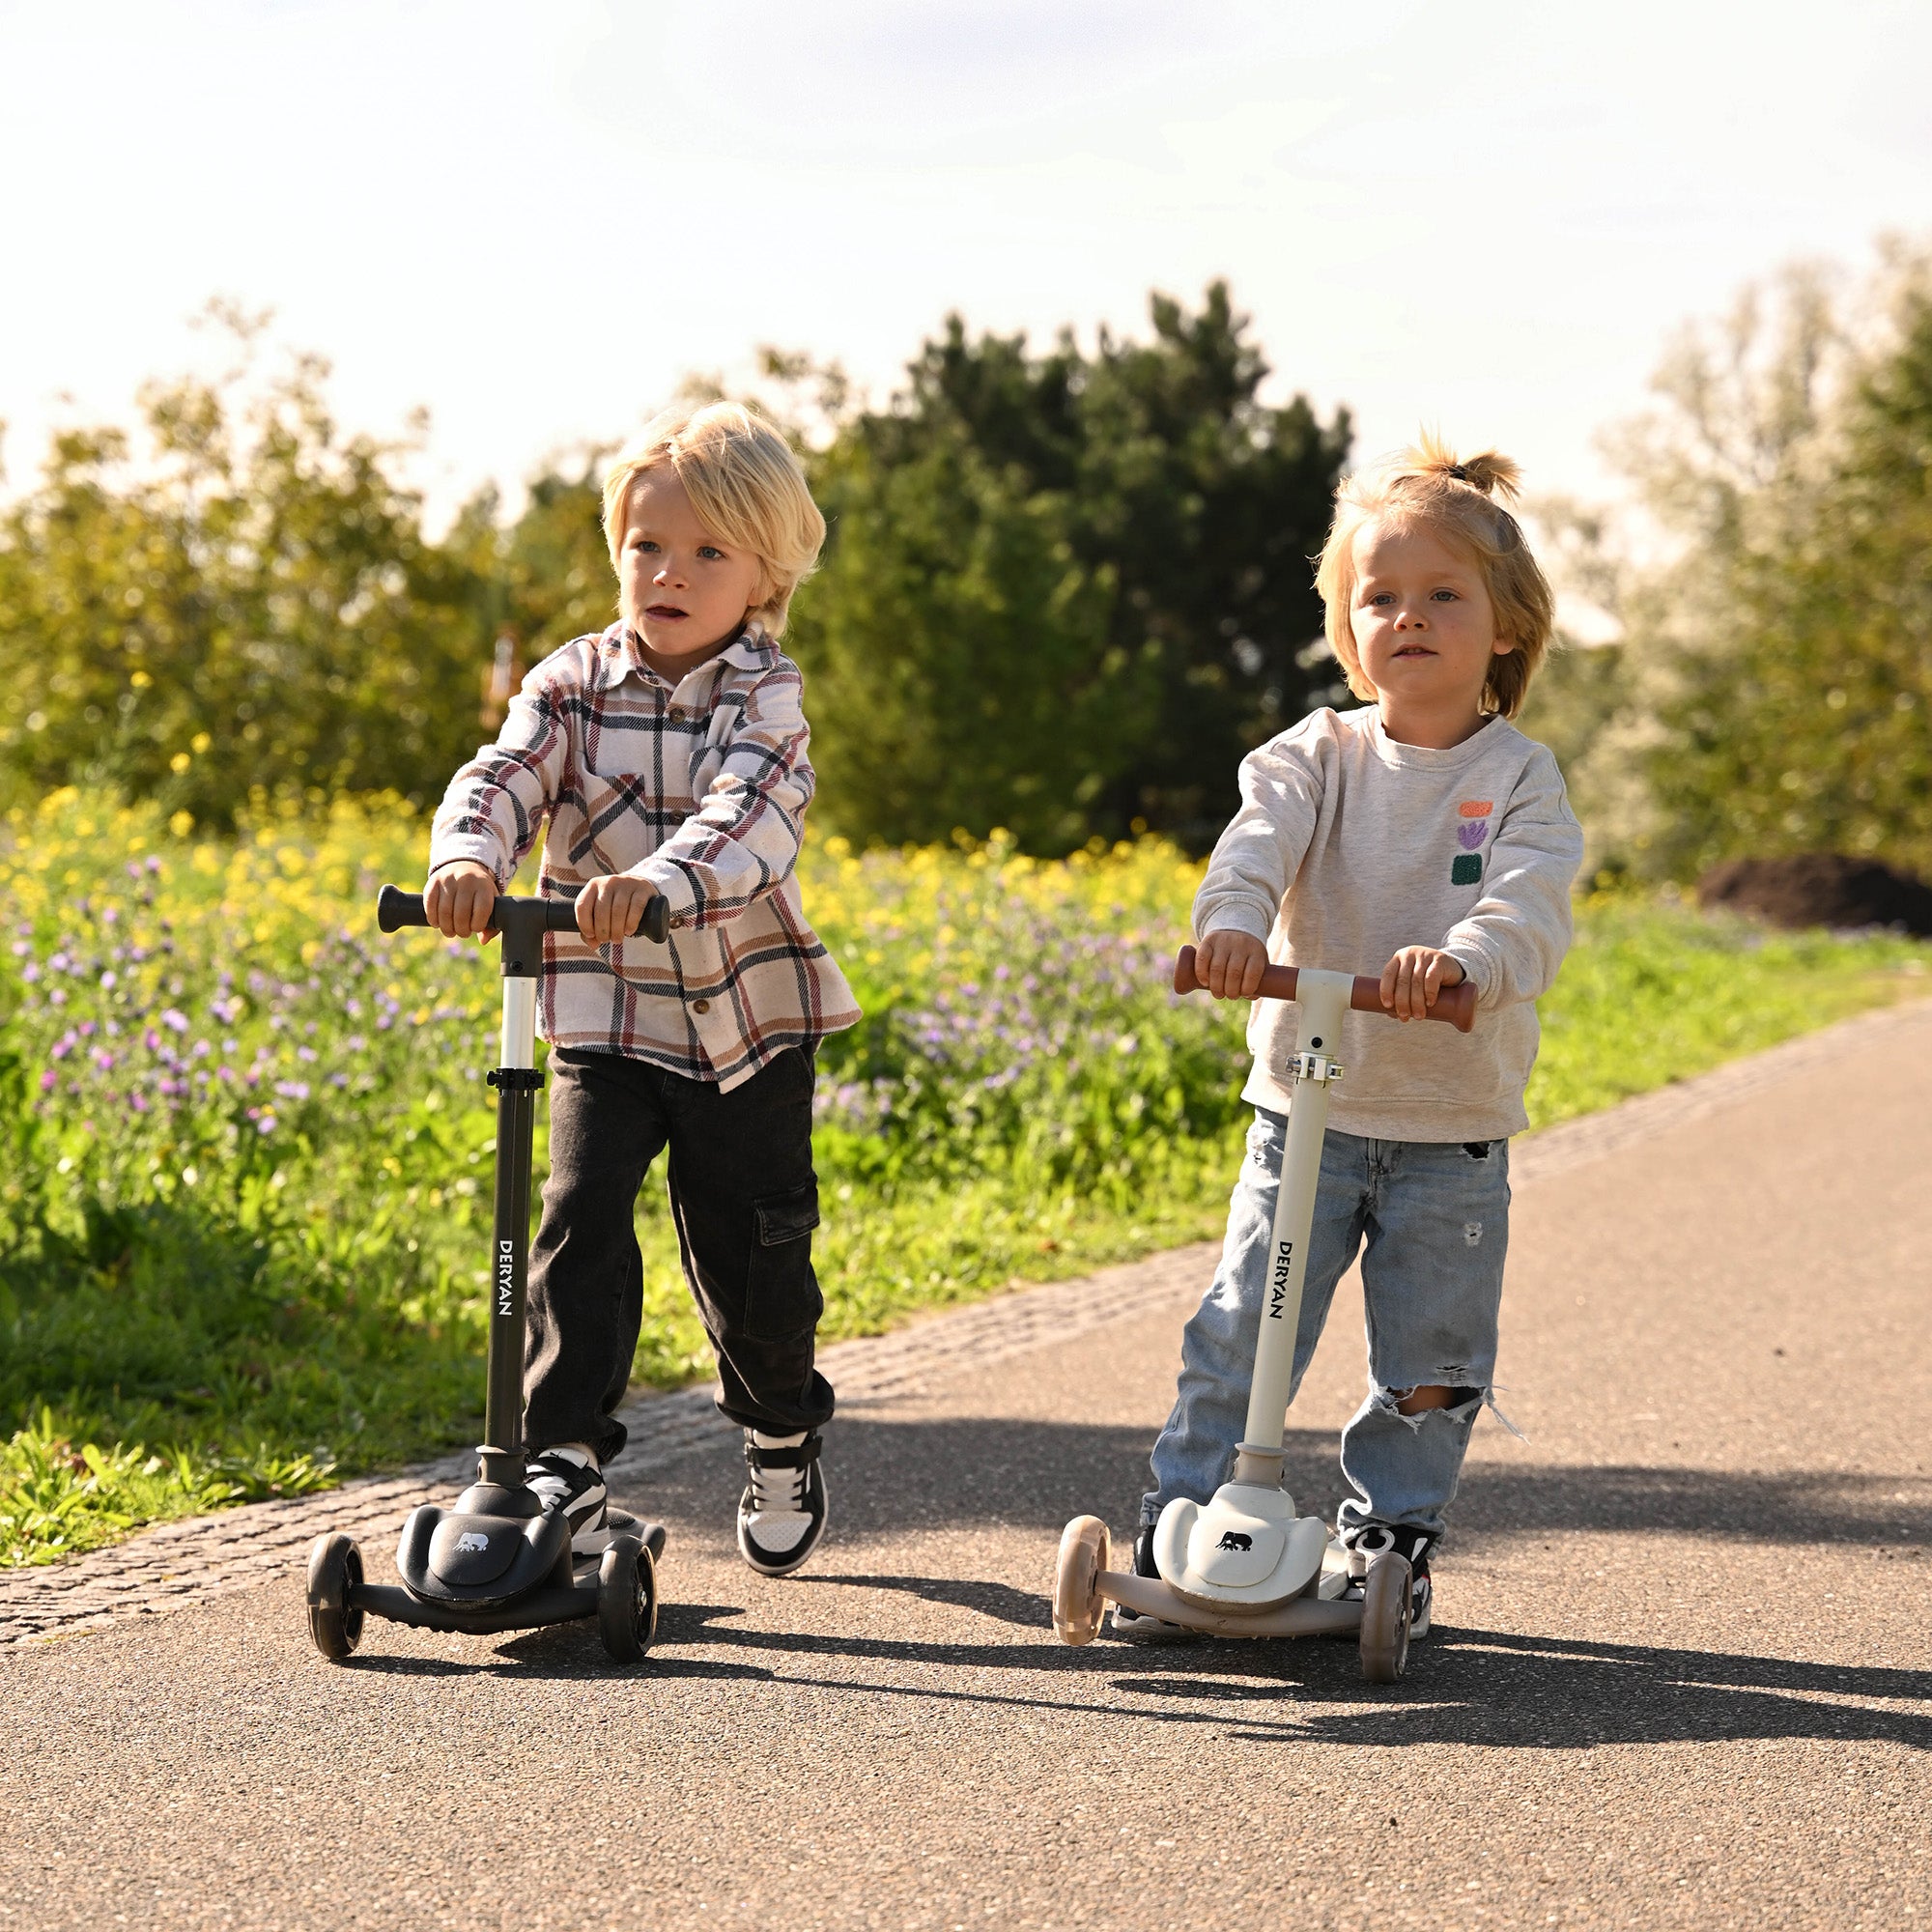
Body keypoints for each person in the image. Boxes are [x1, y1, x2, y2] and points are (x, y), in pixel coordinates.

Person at [1122, 437, 1584, 1640]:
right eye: (1377, 596)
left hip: (1447, 1128)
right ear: (1343, 623)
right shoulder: (1312, 757)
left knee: (1429, 1358)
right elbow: (1252, 847)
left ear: (1504, 627)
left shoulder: (1518, 779)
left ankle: (1390, 1534)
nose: (1407, 617)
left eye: (1441, 595)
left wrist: (1468, 961)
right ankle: (1182, 1518)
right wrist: (1229, 927)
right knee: (1238, 1324)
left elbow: (1525, 903)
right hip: (1302, 1114)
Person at [423, 400, 860, 1577]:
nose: (668, 572)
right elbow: (506, 768)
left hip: (742, 1024)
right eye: (646, 545)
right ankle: (560, 1448)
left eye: (707, 552)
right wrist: (469, 855)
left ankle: (778, 1424)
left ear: (764, 571)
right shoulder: (571, 680)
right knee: (574, 1219)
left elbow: (749, 816)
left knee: (750, 1256)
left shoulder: (762, 695)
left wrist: (659, 879)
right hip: (601, 1013)